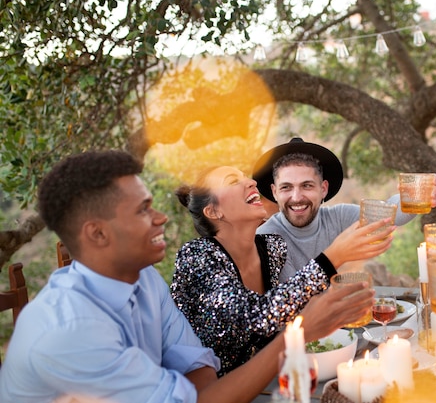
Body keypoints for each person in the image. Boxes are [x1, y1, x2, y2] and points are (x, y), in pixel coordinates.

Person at [0, 150, 375, 403]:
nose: (162, 218)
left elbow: (197, 367)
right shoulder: (71, 333)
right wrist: (302, 330)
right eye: (144, 209)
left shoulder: (145, 280)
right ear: (98, 234)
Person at [171, 165, 394, 375]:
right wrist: (333, 257)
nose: (250, 182)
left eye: (245, 176)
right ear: (214, 211)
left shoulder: (272, 248)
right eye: (232, 181)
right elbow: (255, 317)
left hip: (273, 379)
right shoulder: (197, 256)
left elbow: (286, 310)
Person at [252, 137, 436, 281]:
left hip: (345, 328)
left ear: (323, 189)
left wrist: (420, 195)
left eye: (307, 186)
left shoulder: (339, 217)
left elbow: (391, 213)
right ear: (274, 192)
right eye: (286, 187)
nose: (296, 197)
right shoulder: (265, 237)